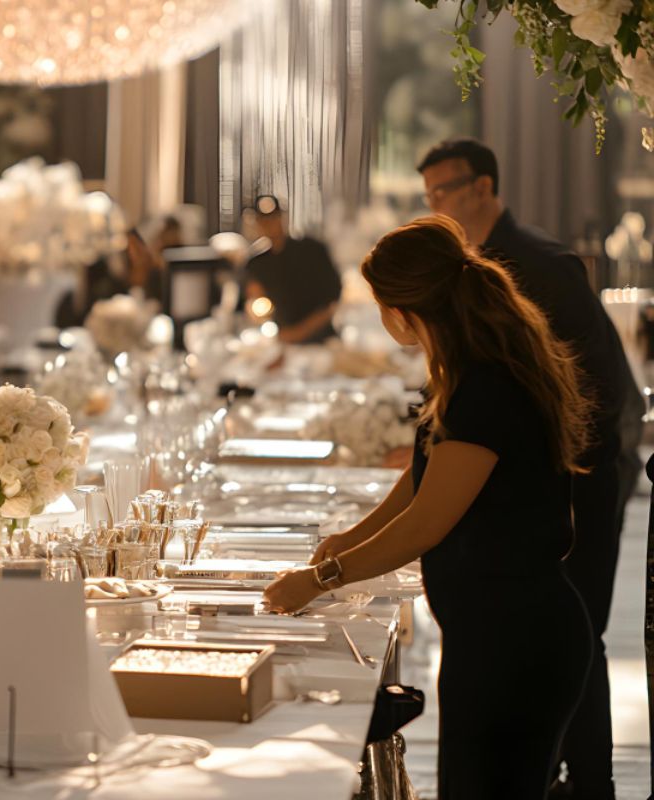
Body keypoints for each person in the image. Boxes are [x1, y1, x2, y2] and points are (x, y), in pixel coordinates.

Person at [264, 215, 593, 799]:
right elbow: (423, 480)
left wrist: (320, 580)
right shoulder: (464, 370)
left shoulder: (485, 387)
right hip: (492, 631)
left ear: (402, 311)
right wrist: (350, 539)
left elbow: (425, 525)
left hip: (517, 640)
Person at [417, 138, 642, 800]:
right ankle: (554, 779)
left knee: (581, 631)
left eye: (441, 193)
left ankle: (590, 784)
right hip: (544, 483)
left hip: (580, 481)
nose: (435, 207)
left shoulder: (539, 265)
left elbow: (596, 391)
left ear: (482, 188)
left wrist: (536, 475)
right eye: (427, 197)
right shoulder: (479, 266)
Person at [242, 195, 343, 344]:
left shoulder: (312, 251)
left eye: (274, 218)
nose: (269, 224)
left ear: (282, 218)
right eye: (263, 220)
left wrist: (298, 332)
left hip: (321, 340)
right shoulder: (257, 264)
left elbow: (331, 300)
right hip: (282, 339)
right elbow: (254, 302)